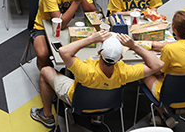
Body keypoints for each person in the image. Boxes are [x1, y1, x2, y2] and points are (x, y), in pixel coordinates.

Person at [30, 31, 164, 129]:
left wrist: (90, 39)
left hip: (76, 101)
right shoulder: (125, 72)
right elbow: (158, 65)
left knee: (46, 71)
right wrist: (134, 46)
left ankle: (46, 115)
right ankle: (97, 116)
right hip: (108, 104)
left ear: (99, 53)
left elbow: (63, 51)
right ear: (121, 57)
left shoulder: (85, 71)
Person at [32, 0, 95, 70]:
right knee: (42, 54)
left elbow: (92, 13)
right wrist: (76, 2)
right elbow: (60, 24)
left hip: (70, 24)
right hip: (43, 27)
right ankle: (48, 75)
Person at [142, 10, 185, 128]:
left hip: (171, 97)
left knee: (145, 73)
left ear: (174, 28)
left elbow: (158, 71)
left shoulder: (170, 50)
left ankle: (163, 114)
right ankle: (161, 115)